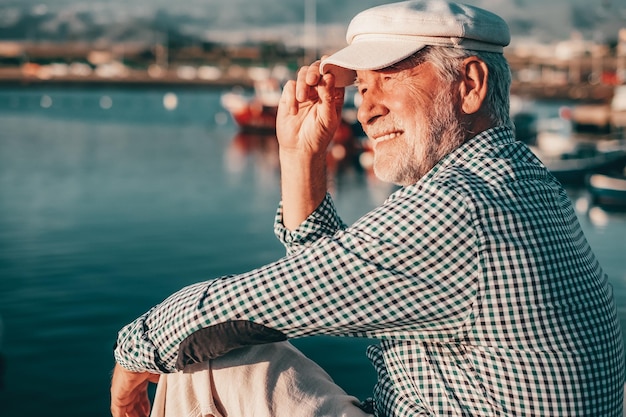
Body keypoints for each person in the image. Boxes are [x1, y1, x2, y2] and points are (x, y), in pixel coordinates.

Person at [110, 1, 626, 416]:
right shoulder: (517, 182)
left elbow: (257, 306)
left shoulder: (462, 207)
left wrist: (132, 359)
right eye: (360, 86)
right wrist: (301, 156)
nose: (366, 108)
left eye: (390, 77)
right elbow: (322, 280)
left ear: (469, 85)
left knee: (200, 361)